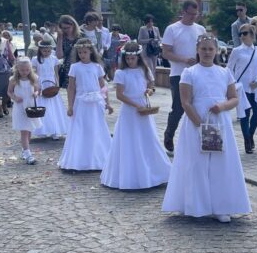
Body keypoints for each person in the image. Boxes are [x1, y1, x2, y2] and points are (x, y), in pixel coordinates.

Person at [161, 35, 251, 223]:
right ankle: (196, 204)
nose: (207, 52)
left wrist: (222, 106)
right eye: (203, 49)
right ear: (198, 50)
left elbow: (234, 98)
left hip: (219, 120)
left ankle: (221, 206)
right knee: (197, 163)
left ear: (217, 50)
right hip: (197, 121)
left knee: (221, 163)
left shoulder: (224, 72)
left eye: (210, 49)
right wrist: (200, 125)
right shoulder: (189, 72)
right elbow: (185, 101)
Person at [101, 41, 171, 189]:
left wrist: (149, 91)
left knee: (147, 137)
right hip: (130, 109)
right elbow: (120, 95)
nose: (130, 61)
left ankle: (153, 172)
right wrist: (135, 105)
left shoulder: (143, 70)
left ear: (138, 58)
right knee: (130, 139)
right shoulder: (121, 73)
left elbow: (151, 85)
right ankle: (130, 175)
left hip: (144, 107)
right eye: (128, 59)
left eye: (133, 59)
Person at [58, 39, 113, 171]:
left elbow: (102, 86)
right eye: (80, 52)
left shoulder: (97, 67)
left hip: (95, 102)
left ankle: (98, 157)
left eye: (85, 52)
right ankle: (79, 159)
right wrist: (70, 106)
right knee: (80, 129)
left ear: (90, 52)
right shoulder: (75, 67)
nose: (82, 55)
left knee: (96, 128)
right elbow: (71, 87)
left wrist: (108, 103)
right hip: (81, 102)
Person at [161, 0, 207, 153]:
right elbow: (165, 52)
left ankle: (200, 139)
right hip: (178, 74)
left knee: (200, 106)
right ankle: (169, 134)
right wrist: (184, 60)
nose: (193, 17)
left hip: (198, 73)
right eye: (190, 14)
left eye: (196, 14)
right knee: (179, 107)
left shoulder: (200, 29)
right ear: (183, 12)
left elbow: (206, 49)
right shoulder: (172, 29)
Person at [227, 23, 257, 154]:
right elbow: (229, 69)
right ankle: (247, 141)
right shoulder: (237, 51)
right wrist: (233, 85)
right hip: (242, 88)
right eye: (240, 34)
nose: (242, 36)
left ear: (252, 35)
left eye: (245, 33)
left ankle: (250, 135)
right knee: (244, 115)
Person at [7, 57, 42, 165]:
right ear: (17, 69)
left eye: (27, 70)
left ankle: (24, 150)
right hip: (20, 107)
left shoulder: (33, 78)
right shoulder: (14, 79)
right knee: (24, 131)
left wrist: (36, 94)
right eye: (22, 70)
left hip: (30, 106)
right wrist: (15, 98)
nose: (25, 72)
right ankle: (28, 154)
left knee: (29, 130)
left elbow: (37, 89)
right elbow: (9, 91)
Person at [31, 40, 67, 140]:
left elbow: (56, 73)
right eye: (44, 51)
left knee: (53, 108)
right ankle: (42, 130)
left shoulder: (54, 59)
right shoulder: (35, 59)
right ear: (40, 50)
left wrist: (57, 84)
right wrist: (36, 85)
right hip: (41, 83)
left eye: (48, 51)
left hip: (51, 83)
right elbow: (34, 73)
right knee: (43, 107)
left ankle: (55, 130)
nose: (46, 53)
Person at [55, 15, 81, 88]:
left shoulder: (81, 36)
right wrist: (60, 39)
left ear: (73, 25)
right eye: (63, 28)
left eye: (68, 28)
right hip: (68, 68)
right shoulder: (62, 38)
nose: (66, 30)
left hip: (80, 65)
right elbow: (59, 56)